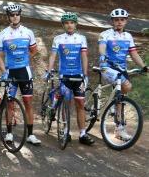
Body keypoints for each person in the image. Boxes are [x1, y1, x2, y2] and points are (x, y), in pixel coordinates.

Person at [45, 12, 94, 145]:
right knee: (66, 102)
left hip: (78, 76)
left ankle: (83, 133)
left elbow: (84, 57)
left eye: (72, 22)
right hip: (64, 76)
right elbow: (53, 56)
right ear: (63, 25)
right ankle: (66, 130)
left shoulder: (81, 38)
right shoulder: (58, 39)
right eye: (66, 23)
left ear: (76, 24)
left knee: (80, 104)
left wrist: (85, 75)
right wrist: (49, 70)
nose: (69, 25)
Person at [98, 8, 148, 141]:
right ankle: (115, 108)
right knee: (126, 85)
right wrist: (103, 57)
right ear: (112, 21)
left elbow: (133, 53)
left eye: (122, 20)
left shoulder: (128, 37)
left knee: (122, 95)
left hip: (121, 69)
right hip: (107, 67)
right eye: (116, 20)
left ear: (126, 21)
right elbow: (102, 47)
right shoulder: (105, 34)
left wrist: (143, 66)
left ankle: (119, 129)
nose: (119, 22)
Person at [0, 4, 41, 145]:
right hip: (10, 73)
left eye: (17, 14)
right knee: (9, 103)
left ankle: (31, 134)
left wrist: (24, 58)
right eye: (12, 15)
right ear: (8, 16)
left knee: (28, 103)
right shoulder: (2, 34)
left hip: (24, 72)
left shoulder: (28, 32)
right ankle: (9, 133)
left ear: (20, 15)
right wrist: (4, 72)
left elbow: (34, 50)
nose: (15, 17)